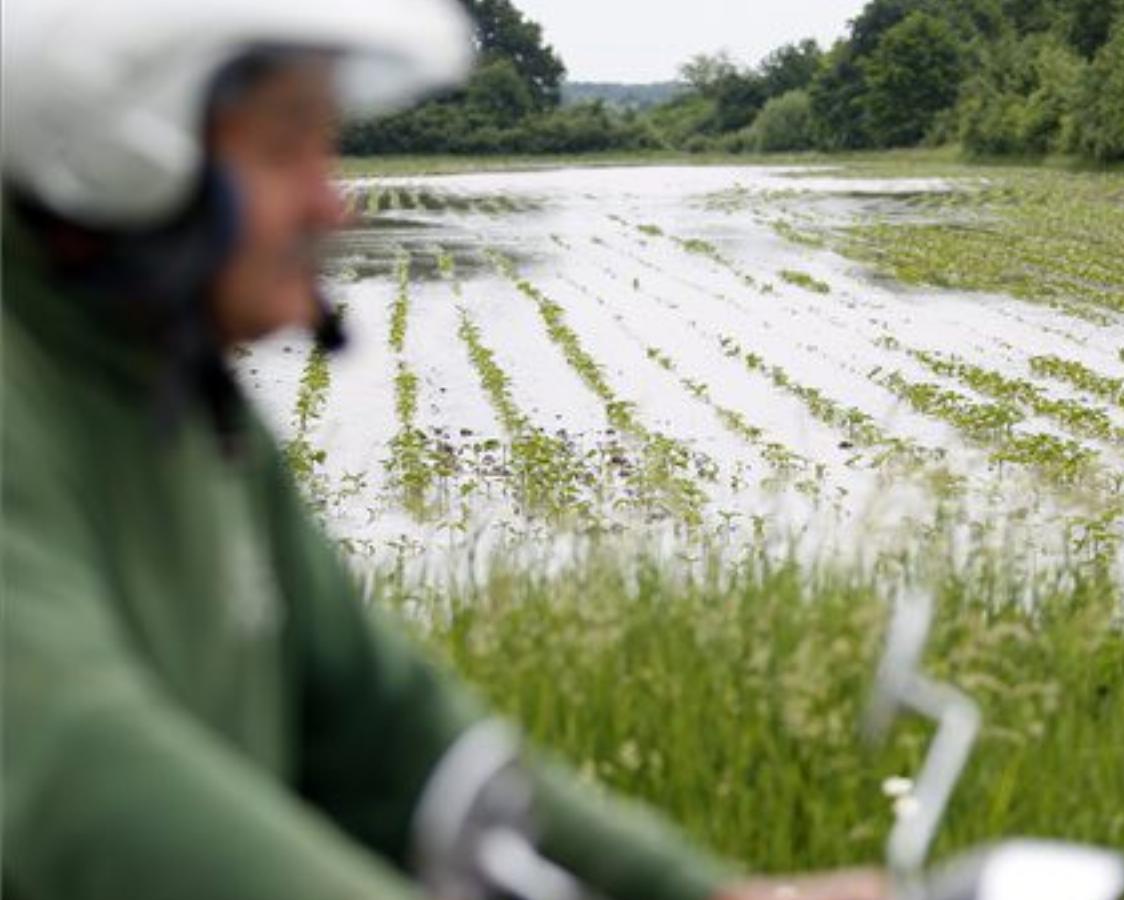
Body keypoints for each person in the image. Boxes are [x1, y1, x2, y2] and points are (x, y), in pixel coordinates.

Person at [0, 2, 884, 899]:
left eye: (327, 144)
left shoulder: (190, 403)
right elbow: (72, 762)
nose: (330, 202)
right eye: (282, 149)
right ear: (117, 164)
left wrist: (707, 894)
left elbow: (394, 734)